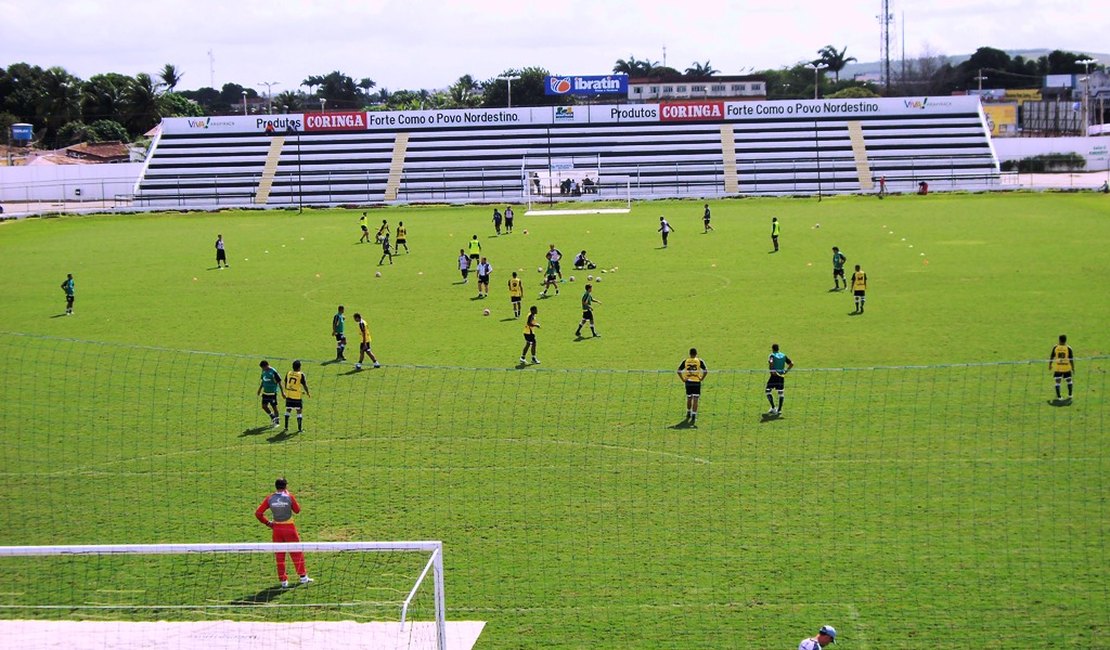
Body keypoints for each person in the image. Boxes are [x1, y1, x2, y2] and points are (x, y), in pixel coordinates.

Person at [254, 477, 313, 588]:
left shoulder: (269, 498)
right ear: (285, 486)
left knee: (279, 555)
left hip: (277, 529)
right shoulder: (289, 497)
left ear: (276, 486)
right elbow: (297, 510)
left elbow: (258, 513)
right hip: (289, 528)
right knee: (296, 552)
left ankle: (283, 582)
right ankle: (303, 577)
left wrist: (268, 523)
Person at [677, 348, 708, 425]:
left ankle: (688, 412)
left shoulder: (686, 361)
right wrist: (702, 378)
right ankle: (694, 415)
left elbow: (678, 371)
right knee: (696, 399)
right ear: (696, 353)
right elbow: (706, 371)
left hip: (688, 382)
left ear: (689, 354)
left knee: (689, 398)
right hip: (696, 382)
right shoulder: (699, 361)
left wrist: (683, 379)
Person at [282, 360, 310, 432]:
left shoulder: (288, 373)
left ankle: (286, 427)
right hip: (297, 396)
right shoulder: (301, 374)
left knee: (288, 409)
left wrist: (286, 390)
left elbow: (285, 382)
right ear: (299, 367)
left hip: (289, 395)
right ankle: (300, 429)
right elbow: (305, 385)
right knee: (299, 411)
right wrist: (307, 392)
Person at [765, 343, 793, 415]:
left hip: (774, 376)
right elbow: (791, 363)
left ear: (772, 348)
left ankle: (773, 408)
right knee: (781, 392)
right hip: (781, 376)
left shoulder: (772, 355)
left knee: (768, 391)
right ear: (778, 348)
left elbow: (771, 362)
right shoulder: (783, 355)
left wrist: (772, 370)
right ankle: (779, 410)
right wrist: (786, 371)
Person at [258, 360, 285, 427]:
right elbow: (263, 380)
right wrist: (259, 389)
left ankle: (277, 422)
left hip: (272, 393)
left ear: (267, 365)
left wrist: (282, 392)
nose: (263, 369)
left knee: (274, 407)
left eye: (263, 368)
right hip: (265, 393)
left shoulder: (273, 372)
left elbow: (279, 382)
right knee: (264, 406)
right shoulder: (264, 371)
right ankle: (273, 417)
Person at [1050, 334, 1074, 401]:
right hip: (1066, 368)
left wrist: (1050, 365)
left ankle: (1059, 397)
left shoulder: (1056, 347)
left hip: (1058, 368)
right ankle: (1070, 395)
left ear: (1059, 340)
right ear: (1065, 340)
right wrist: (1073, 368)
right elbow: (1071, 359)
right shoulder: (1068, 348)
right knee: (1069, 381)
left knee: (1058, 382)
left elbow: (1051, 357)